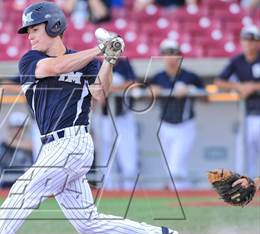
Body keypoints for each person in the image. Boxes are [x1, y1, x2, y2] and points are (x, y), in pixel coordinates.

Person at [0, 1, 178, 234]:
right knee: (86, 221)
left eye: (35, 29)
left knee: (22, 191)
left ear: (54, 26)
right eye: (28, 30)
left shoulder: (84, 62)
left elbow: (100, 93)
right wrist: (99, 49)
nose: (29, 35)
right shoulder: (30, 59)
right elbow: (55, 68)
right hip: (54, 146)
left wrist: (109, 60)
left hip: (74, 143)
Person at [150, 39, 205, 190]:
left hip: (185, 125)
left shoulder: (190, 76)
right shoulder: (157, 77)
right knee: (169, 168)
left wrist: (191, 90)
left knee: (176, 168)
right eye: (166, 54)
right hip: (164, 125)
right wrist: (152, 91)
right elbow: (146, 97)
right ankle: (176, 199)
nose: (169, 57)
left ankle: (179, 195)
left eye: (173, 53)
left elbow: (206, 97)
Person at [214, 25, 260, 178]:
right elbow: (219, 82)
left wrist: (253, 86)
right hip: (246, 114)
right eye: (246, 40)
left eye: (252, 40)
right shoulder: (237, 61)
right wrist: (240, 86)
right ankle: (247, 189)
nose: (248, 43)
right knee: (245, 156)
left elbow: (252, 86)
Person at [97, 58, 139, 190]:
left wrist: (110, 88)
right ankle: (108, 191)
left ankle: (130, 189)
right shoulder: (97, 64)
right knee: (106, 158)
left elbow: (133, 84)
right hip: (104, 117)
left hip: (123, 117)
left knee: (128, 156)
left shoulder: (124, 64)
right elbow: (95, 88)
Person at [0, 111, 33, 189]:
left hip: (26, 185)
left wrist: (12, 143)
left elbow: (35, 147)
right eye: (14, 127)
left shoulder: (32, 147)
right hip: (5, 186)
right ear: (9, 128)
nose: (17, 130)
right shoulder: (1, 147)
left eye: (21, 127)